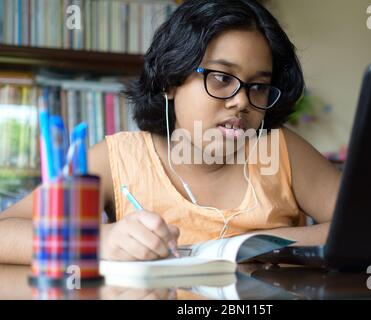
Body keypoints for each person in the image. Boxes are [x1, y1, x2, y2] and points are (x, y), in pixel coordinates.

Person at [0, 0, 340, 265]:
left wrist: (251, 246)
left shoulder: (282, 150)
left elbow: (368, 231)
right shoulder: (118, 159)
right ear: (170, 81)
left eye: (259, 86)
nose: (242, 102)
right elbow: (5, 232)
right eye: (221, 78)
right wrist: (99, 240)